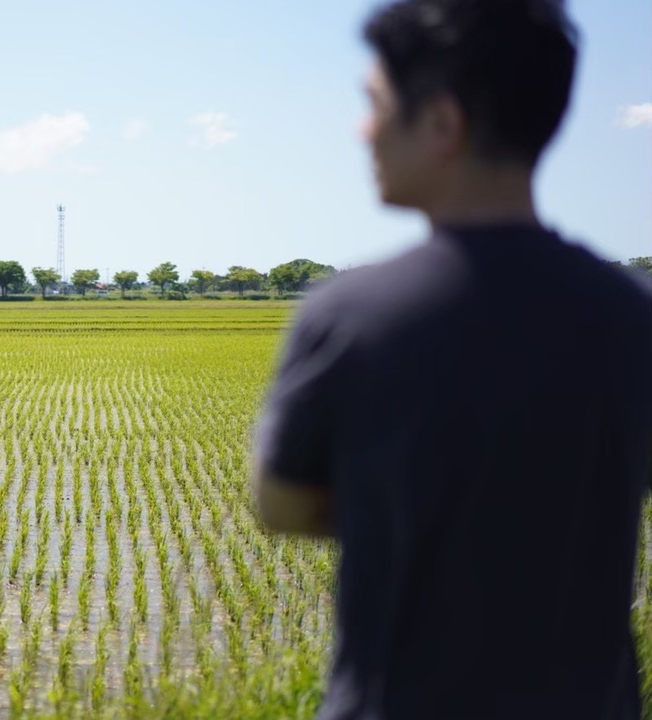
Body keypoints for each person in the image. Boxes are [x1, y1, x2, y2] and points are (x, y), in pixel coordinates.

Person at [250, 1, 652, 718]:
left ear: (441, 123)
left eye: (373, 104)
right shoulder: (632, 316)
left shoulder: (353, 316)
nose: (361, 129)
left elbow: (279, 502)